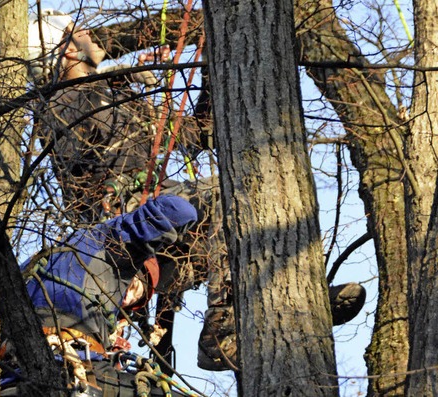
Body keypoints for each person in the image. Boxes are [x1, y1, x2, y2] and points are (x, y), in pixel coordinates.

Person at [23, 9, 367, 375]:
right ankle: (222, 327)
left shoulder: (109, 95)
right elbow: (87, 169)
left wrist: (211, 63)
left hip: (163, 229)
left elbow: (199, 134)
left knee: (231, 232)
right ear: (68, 52)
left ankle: (281, 312)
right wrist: (119, 88)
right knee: (226, 191)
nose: (92, 36)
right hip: (127, 229)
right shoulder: (61, 105)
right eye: (81, 32)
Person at [0, 195, 198, 396]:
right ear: (135, 271)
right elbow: (177, 211)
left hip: (10, 375)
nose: (128, 299)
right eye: (134, 290)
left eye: (133, 303)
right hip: (68, 367)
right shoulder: (116, 242)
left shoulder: (41, 261)